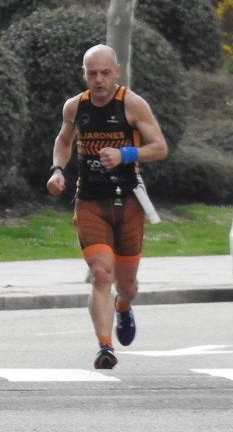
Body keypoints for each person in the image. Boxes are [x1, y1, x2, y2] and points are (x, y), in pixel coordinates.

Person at [47, 44, 169, 369]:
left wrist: (125, 154)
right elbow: (63, 140)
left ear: (116, 71)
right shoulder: (75, 107)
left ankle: (124, 307)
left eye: (104, 72)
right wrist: (58, 170)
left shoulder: (131, 104)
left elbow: (159, 147)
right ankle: (105, 347)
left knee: (127, 285)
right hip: (90, 200)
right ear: (84, 74)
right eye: (92, 73)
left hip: (128, 202)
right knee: (101, 274)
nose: (98, 80)